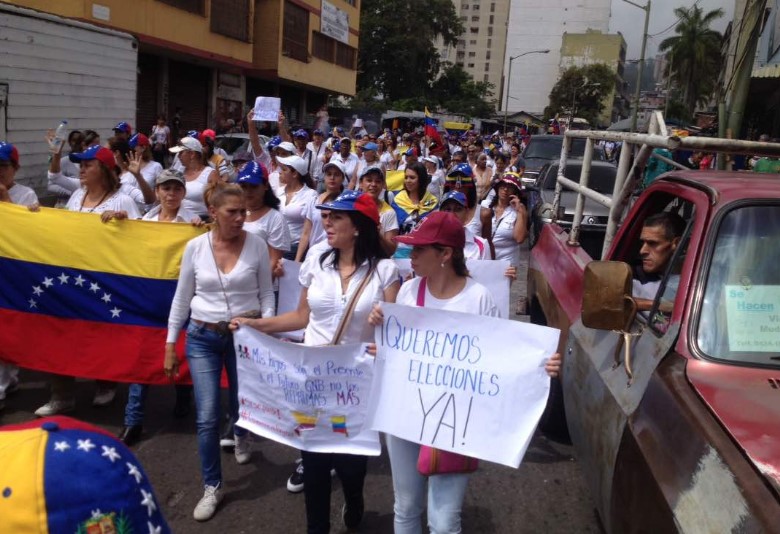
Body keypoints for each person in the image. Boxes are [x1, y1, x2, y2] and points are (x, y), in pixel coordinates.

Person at [368, 211, 561, 533]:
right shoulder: (407, 293)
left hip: (455, 421)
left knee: (443, 522)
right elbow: (393, 353)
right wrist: (379, 333)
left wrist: (539, 364)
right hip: (405, 415)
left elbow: (498, 356)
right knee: (406, 507)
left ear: (445, 254)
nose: (410, 256)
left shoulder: (478, 298)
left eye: (419, 250)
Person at [231, 190, 400, 533]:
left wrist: (383, 341)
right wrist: (255, 325)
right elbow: (300, 317)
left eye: (336, 217)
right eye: (326, 215)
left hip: (357, 389)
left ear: (358, 226)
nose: (327, 222)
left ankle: (355, 499)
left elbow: (396, 335)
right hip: (312, 385)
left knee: (352, 467)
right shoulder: (317, 261)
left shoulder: (385, 271)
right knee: (315, 462)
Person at [164, 183, 275, 521]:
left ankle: (242, 433)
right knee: (208, 415)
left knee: (242, 401)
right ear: (213, 212)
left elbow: (267, 295)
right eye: (232, 212)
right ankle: (212, 485)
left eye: (243, 211)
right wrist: (171, 344)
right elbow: (182, 299)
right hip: (202, 337)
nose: (241, 217)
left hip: (245, 338)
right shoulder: (195, 248)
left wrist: (264, 330)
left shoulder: (256, 245)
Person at [34, 144, 141, 417]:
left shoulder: (122, 200)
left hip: (103, 281)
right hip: (72, 277)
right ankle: (61, 394)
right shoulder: (77, 196)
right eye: (80, 164)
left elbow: (143, 239)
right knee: (62, 333)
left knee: (100, 334)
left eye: (88, 164)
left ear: (104, 169)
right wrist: (37, 219)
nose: (81, 169)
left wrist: (125, 221)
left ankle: (105, 383)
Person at [107, 169, 201, 446]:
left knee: (182, 351)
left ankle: (184, 399)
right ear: (157, 192)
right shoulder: (144, 220)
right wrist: (119, 222)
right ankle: (133, 420)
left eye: (176, 189)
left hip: (181, 297)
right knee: (143, 357)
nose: (171, 194)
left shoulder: (193, 221)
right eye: (165, 189)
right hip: (147, 300)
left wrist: (201, 225)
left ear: (183, 193)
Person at [0, 142, 38, 412]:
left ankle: (6, 381)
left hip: (12, 273)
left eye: (3, 166)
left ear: (15, 168)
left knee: (8, 327)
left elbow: (27, 233)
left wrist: (5, 200)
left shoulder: (27, 195)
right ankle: (5, 383)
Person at [237, 161, 291, 269]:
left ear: (265, 186)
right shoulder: (233, 213)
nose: (248, 191)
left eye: (253, 186)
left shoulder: (275, 219)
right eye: (243, 186)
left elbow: (274, 261)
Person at [632, 212, 685, 312]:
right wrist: (656, 305)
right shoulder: (633, 277)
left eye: (652, 243)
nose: (642, 251)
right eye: (642, 242)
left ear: (677, 244)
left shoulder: (698, 281)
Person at [295, 160, 346, 262]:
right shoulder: (314, 201)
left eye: (336, 174)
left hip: (338, 257)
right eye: (329, 174)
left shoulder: (346, 203)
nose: (332, 178)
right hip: (314, 256)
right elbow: (306, 233)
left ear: (342, 178)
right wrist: (297, 259)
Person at [276, 154, 318, 260]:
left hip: (295, 249)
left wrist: (297, 259)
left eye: (284, 170)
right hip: (276, 246)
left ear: (295, 174)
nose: (280, 172)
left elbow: (308, 230)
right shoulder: (279, 191)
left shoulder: (310, 195)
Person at [169, 136, 219, 219]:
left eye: (181, 153)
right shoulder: (178, 172)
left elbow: (220, 200)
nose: (178, 156)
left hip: (201, 221)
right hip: (178, 219)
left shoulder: (210, 174)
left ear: (192, 154)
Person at [358, 165, 399, 256]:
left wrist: (377, 234)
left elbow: (391, 250)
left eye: (378, 181)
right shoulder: (350, 207)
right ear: (361, 183)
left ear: (382, 185)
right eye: (369, 180)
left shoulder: (389, 213)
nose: (373, 184)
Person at [488, 173, 528, 267]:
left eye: (510, 187)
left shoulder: (520, 209)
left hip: (507, 260)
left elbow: (519, 238)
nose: (505, 190)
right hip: (485, 257)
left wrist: (519, 211)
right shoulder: (486, 205)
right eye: (502, 186)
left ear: (515, 192)